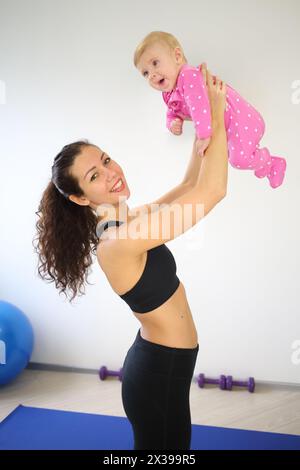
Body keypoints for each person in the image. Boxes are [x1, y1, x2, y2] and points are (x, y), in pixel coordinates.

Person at [34, 64, 228, 450]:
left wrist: (201, 135)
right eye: (93, 176)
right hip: (157, 375)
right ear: (80, 199)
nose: (111, 173)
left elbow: (189, 185)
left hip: (167, 366)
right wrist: (218, 116)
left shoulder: (127, 219)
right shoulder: (118, 243)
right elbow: (212, 192)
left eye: (105, 160)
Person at [134, 31, 286, 189]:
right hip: (229, 127)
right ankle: (266, 167)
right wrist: (172, 122)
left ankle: (272, 162)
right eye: (145, 73)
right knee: (235, 157)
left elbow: (198, 106)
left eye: (155, 63)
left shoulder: (188, 75)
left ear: (177, 56)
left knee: (239, 159)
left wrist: (204, 135)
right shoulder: (169, 94)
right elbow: (172, 111)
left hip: (240, 119)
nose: (151, 74)